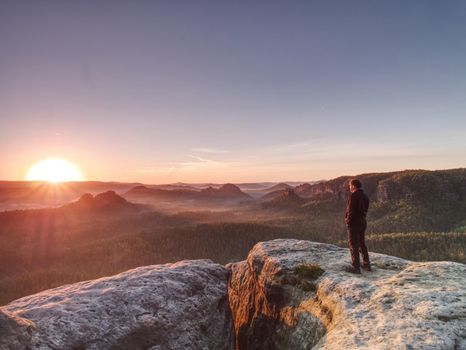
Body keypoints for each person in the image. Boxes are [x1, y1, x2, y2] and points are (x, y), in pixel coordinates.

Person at [345, 179, 371, 274]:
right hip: (362, 222)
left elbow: (351, 211)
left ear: (354, 186)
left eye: (350, 185)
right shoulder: (365, 196)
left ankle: (356, 267)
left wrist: (347, 221)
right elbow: (365, 210)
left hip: (354, 223)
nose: (349, 187)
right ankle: (367, 264)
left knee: (353, 245)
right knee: (362, 243)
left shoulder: (353, 196)